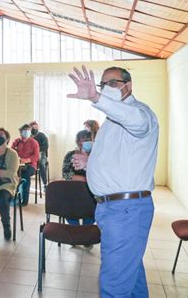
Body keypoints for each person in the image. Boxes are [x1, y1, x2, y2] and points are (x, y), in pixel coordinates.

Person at [68, 65, 158, 297]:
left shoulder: (140, 112)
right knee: (131, 275)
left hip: (125, 210)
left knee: (114, 285)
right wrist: (90, 162)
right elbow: (118, 158)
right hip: (111, 209)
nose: (107, 88)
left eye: (113, 83)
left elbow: (137, 123)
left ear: (128, 86)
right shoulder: (110, 120)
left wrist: (96, 97)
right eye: (103, 85)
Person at [62, 129, 94, 226]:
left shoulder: (96, 155)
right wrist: (87, 180)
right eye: (81, 139)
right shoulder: (70, 155)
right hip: (74, 191)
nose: (83, 142)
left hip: (92, 193)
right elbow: (67, 175)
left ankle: (86, 229)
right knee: (71, 214)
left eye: (88, 139)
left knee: (90, 217)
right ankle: (74, 228)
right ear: (77, 141)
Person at [11, 124, 39, 206]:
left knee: (25, 175)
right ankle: (13, 196)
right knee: (10, 174)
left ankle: (24, 200)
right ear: (20, 132)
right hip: (18, 164)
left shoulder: (34, 142)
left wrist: (27, 160)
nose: (26, 132)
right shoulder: (16, 141)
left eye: (28, 130)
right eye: (24, 130)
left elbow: (36, 156)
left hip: (30, 165)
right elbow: (11, 152)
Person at [30, 121, 49, 191]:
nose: (34, 129)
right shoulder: (29, 137)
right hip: (31, 155)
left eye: (36, 127)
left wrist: (36, 150)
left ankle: (45, 184)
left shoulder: (42, 136)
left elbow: (46, 146)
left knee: (41, 164)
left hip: (42, 154)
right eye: (33, 127)